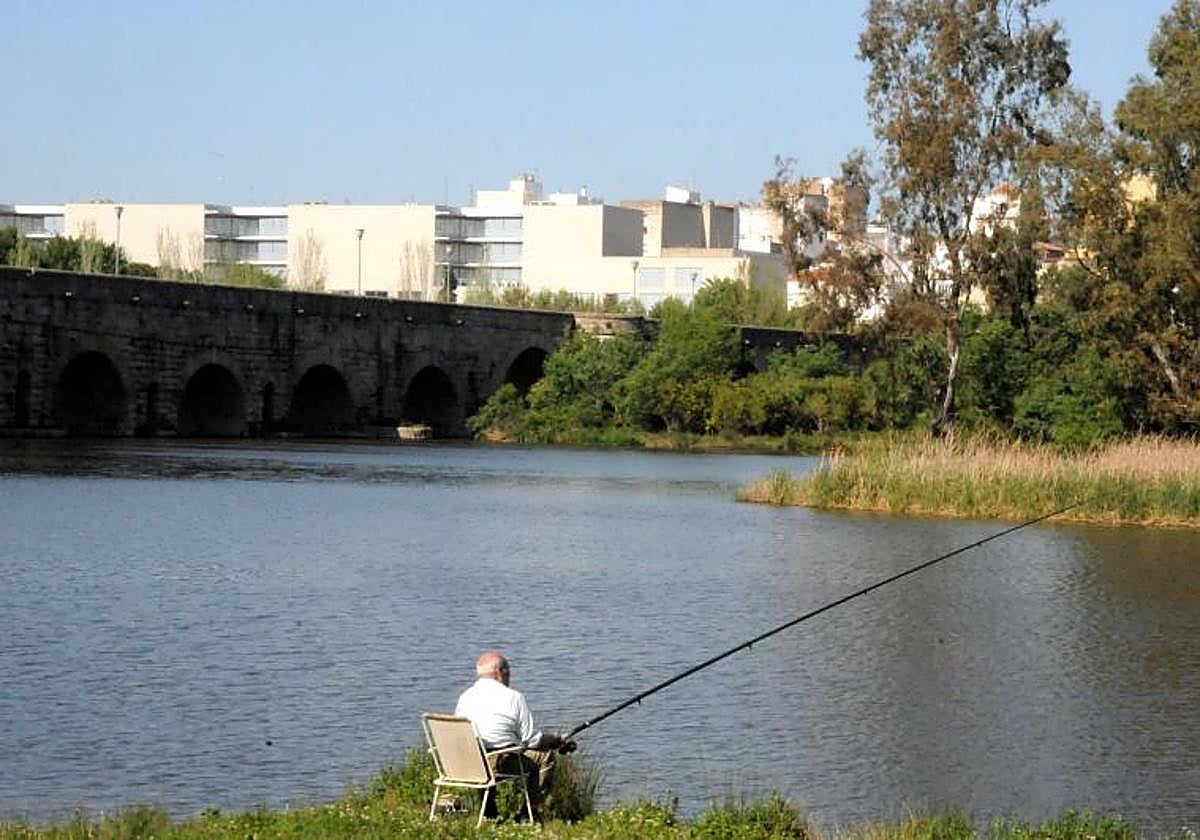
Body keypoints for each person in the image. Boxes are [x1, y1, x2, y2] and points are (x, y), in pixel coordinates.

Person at [454, 650, 574, 820]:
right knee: (545, 757)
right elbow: (531, 740)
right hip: (495, 765)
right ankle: (530, 812)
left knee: (486, 751)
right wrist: (554, 740)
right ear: (500, 672)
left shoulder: (464, 697)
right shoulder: (514, 697)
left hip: (464, 764)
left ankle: (489, 812)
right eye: (509, 671)